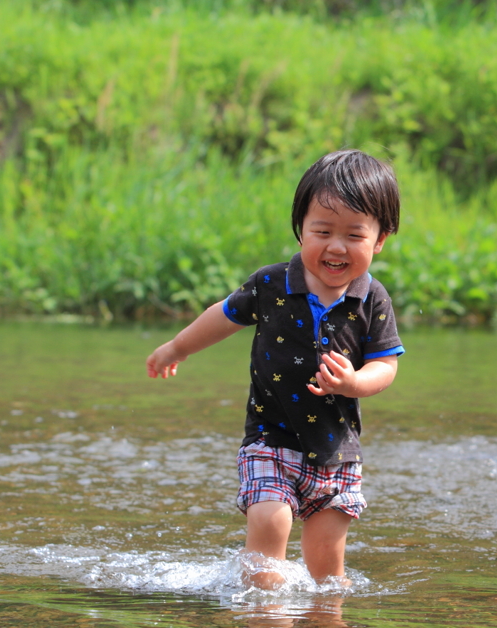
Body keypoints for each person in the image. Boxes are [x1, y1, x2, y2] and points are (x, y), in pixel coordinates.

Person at [145, 150, 404, 588]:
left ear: (380, 239)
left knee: (326, 561)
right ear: (300, 229)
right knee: (271, 520)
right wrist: (177, 346)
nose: (335, 246)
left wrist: (356, 381)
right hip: (270, 438)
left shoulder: (372, 298)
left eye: (354, 235)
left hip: (336, 451)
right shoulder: (272, 284)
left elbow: (385, 364)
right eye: (321, 231)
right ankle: (265, 623)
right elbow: (223, 315)